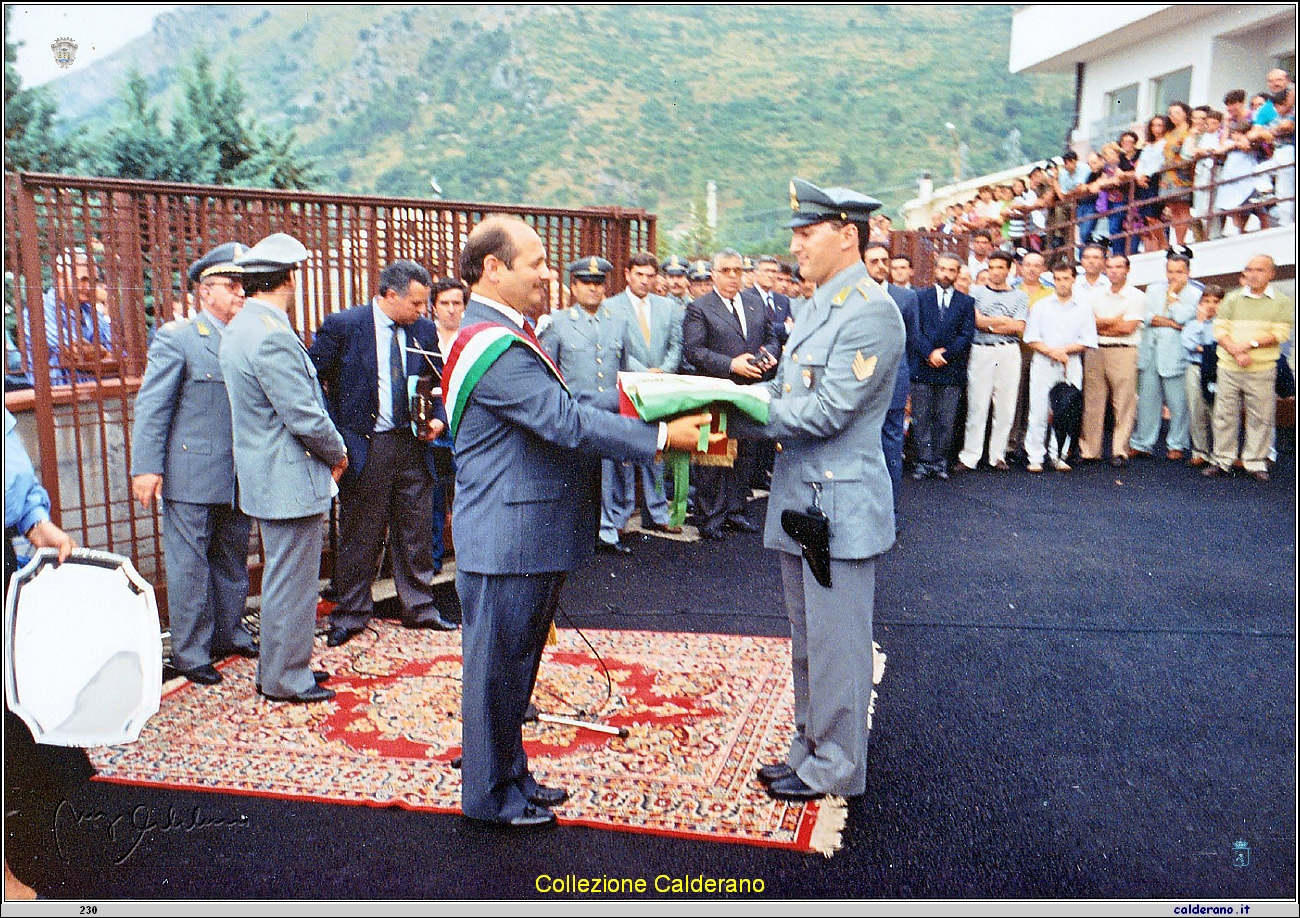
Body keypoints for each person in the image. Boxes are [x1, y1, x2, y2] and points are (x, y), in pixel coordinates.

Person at [444, 215, 715, 828]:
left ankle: (512, 776)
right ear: (494, 268)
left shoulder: (507, 333)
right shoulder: (490, 342)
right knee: (495, 675)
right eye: (536, 261)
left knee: (516, 669)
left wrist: (643, 399)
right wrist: (659, 435)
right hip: (507, 536)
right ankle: (488, 799)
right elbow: (562, 422)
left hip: (525, 533)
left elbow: (568, 405)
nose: (547, 272)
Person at [746, 178, 904, 802]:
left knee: (838, 643)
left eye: (807, 232)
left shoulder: (869, 310)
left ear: (847, 234)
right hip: (803, 495)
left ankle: (836, 765)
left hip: (838, 502)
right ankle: (809, 748)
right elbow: (792, 395)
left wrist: (740, 410)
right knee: (810, 639)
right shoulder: (817, 304)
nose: (796, 244)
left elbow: (830, 411)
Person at [220, 233, 348, 704]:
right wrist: (337, 451)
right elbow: (304, 415)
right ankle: (286, 678)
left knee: (283, 579)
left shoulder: (241, 328)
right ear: (287, 280)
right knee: (292, 584)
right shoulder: (271, 334)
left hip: (269, 476)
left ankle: (279, 668)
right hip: (288, 476)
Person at [129, 241, 259, 686]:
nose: (241, 293)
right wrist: (146, 467)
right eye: (232, 285)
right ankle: (189, 653)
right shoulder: (178, 338)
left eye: (245, 285)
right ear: (206, 292)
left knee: (232, 560)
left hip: (240, 473)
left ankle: (229, 633)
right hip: (191, 473)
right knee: (189, 567)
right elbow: (153, 406)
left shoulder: (248, 339)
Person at [308, 259, 454, 648]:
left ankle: (420, 608)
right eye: (417, 303)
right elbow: (310, 379)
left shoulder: (422, 330)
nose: (423, 312)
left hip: (412, 443)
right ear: (390, 296)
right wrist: (334, 432)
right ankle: (352, 613)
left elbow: (437, 383)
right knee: (360, 533)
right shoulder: (344, 326)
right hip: (364, 445)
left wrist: (438, 418)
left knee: (416, 530)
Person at [682, 248, 780, 539]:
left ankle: (735, 510)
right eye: (726, 271)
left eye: (737, 270)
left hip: (749, 391)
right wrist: (731, 364)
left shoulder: (754, 303)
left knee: (745, 453)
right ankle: (710, 516)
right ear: (713, 274)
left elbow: (772, 338)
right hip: (717, 390)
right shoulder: (700, 307)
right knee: (713, 456)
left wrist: (768, 354)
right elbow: (694, 351)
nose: (733, 277)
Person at [601, 252, 684, 547]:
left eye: (650, 276)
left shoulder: (669, 307)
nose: (645, 281)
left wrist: (664, 371)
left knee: (656, 449)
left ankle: (658, 512)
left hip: (660, 386)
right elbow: (614, 348)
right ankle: (621, 516)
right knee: (624, 452)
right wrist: (641, 372)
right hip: (628, 386)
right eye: (639, 275)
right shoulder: (610, 307)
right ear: (627, 274)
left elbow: (677, 345)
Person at [1206, 255, 1294, 481]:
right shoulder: (1232, 299)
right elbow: (1220, 330)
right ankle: (1222, 460)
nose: (1253, 274)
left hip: (1261, 369)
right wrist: (1235, 351)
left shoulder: (1282, 302)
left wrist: (1247, 345)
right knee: (1224, 415)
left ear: (1271, 274)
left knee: (1261, 417)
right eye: (1249, 269)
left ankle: (1255, 462)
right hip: (1229, 367)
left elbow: (1280, 334)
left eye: (1260, 270)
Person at [1023, 260, 1099, 472]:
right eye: (1057, 279)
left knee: (1066, 411)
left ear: (1074, 279)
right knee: (1038, 410)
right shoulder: (1040, 307)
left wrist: (1064, 351)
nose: (1062, 283)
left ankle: (1059, 455)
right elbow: (1031, 338)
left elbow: (1087, 340)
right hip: (1044, 362)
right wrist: (1052, 352)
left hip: (1071, 363)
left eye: (1066, 279)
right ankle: (1036, 456)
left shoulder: (1084, 309)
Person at [956, 251, 1027, 472]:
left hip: (1008, 350)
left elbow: (1019, 327)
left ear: (1009, 269)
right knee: (977, 403)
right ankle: (970, 456)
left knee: (1005, 405)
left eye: (1001, 267)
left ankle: (997, 455)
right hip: (981, 350)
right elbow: (977, 321)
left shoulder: (1020, 296)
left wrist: (991, 324)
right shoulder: (975, 291)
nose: (996, 272)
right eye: (993, 267)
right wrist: (1002, 321)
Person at [864, 243, 918, 520]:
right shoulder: (854, 295)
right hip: (860, 387)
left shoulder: (905, 298)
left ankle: (889, 515)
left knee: (890, 452)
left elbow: (911, 344)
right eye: (874, 261)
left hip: (894, 385)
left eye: (884, 260)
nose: (881, 265)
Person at [910, 254, 976, 480]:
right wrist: (929, 352)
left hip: (951, 368)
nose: (946, 274)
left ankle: (940, 462)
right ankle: (922, 462)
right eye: (943, 269)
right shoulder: (919, 297)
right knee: (921, 418)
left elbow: (966, 334)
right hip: (923, 366)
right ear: (935, 270)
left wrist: (944, 354)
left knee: (946, 420)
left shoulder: (966, 302)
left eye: (952, 270)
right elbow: (914, 331)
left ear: (958, 273)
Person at [1078, 253, 1144, 467]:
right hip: (1095, 350)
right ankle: (1090, 450)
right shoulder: (1094, 295)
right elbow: (1088, 324)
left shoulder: (1136, 296)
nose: (1114, 271)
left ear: (1127, 269)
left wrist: (1103, 325)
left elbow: (1128, 328)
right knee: (1093, 401)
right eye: (1110, 267)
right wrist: (1112, 321)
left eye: (1118, 267)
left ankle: (1119, 450)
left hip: (1124, 351)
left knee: (1124, 401)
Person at [1132, 253, 1200, 460]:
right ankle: (1142, 443)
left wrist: (1172, 298)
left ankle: (1177, 444)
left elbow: (1183, 318)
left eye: (1179, 272)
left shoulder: (1196, 294)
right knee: (1147, 402)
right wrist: (1171, 323)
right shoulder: (1153, 289)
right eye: (1170, 271)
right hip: (1150, 352)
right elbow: (1146, 317)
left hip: (1175, 354)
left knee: (1178, 404)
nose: (1173, 276)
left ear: (1188, 273)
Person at [429, 277, 467, 573]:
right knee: (435, 494)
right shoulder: (425, 337)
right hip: (437, 427)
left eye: (457, 303)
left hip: (467, 424)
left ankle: (467, 555)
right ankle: (434, 558)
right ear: (434, 307)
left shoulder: (471, 337)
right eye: (445, 303)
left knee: (468, 492)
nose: (451, 310)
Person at [1181, 283, 1224, 468]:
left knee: (1218, 412)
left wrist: (1205, 349)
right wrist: (1200, 324)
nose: (1210, 305)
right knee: (1196, 409)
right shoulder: (1193, 323)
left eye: (1215, 301)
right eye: (1206, 301)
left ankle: (1220, 453)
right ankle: (1200, 452)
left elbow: (1219, 346)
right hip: (1196, 367)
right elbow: (1189, 343)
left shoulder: (1223, 325)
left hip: (1219, 369)